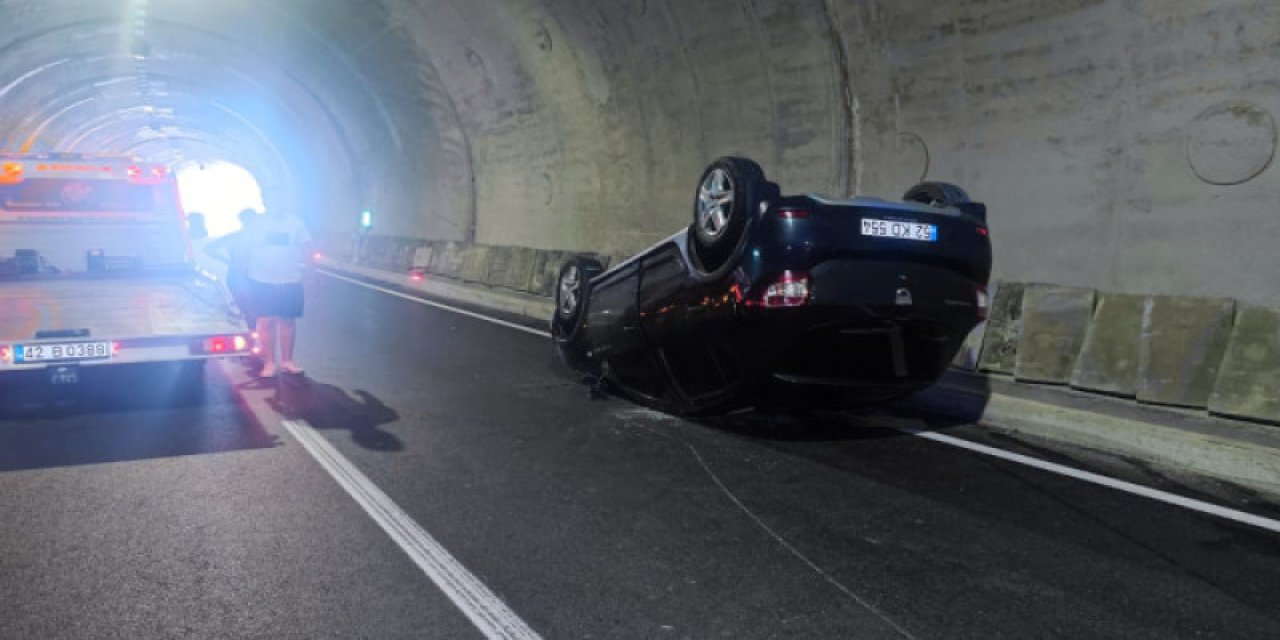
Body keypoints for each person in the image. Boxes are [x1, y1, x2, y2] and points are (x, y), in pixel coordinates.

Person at [244, 198, 312, 378]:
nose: (277, 205)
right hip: (262, 279)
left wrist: (311, 272)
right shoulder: (257, 223)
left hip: (290, 279)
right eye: (273, 201)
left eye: (281, 201)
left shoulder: (296, 223)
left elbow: (306, 247)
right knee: (266, 321)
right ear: (266, 203)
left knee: (288, 321)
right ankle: (269, 362)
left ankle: (287, 361)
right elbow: (246, 248)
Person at [204, 208, 260, 331]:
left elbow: (209, 249)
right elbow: (209, 249)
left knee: (253, 309)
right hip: (239, 276)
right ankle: (252, 335)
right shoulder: (236, 237)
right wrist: (228, 261)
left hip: (252, 275)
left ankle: (254, 335)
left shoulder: (256, 238)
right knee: (248, 308)